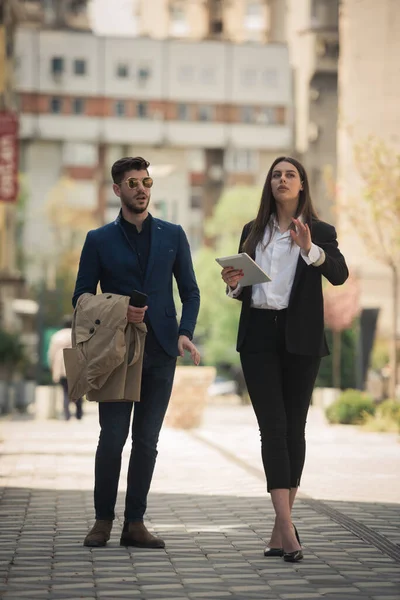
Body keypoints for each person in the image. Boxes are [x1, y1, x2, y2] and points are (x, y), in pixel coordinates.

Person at [221, 156, 348, 563]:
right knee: (272, 430)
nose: (282, 179)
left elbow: (340, 274)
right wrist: (234, 285)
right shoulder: (252, 231)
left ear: (302, 185)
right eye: (276, 175)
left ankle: (280, 526)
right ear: (269, 184)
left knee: (295, 430)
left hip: (301, 338)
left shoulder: (320, 231)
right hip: (258, 335)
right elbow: (247, 290)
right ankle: (289, 533)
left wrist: (309, 249)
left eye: (290, 174)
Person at [73, 156, 200, 549]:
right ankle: (102, 521)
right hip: (115, 350)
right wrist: (117, 308)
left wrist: (184, 333)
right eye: (132, 183)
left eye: (146, 182)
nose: (141, 188)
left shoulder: (174, 234)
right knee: (112, 437)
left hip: (162, 349)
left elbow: (190, 292)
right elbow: (79, 297)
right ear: (117, 190)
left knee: (147, 440)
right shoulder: (98, 240)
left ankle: (135, 523)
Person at [48, 316, 83, 421]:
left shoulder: (57, 336)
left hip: (60, 366)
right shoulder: (77, 334)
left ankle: (67, 414)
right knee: (77, 391)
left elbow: (51, 354)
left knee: (64, 391)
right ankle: (78, 414)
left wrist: (52, 367)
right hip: (75, 364)